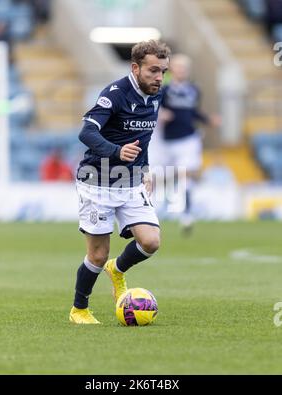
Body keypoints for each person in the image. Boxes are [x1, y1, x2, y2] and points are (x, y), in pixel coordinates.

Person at [69, 40, 171, 324]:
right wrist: (116, 151)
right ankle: (79, 310)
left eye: (163, 71)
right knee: (98, 255)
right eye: (153, 71)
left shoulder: (155, 94)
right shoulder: (114, 94)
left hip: (131, 184)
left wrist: (145, 169)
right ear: (135, 68)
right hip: (97, 182)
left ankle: (118, 269)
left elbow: (145, 138)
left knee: (151, 242)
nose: (159, 78)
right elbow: (86, 133)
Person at [158, 54, 220, 233]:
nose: (181, 70)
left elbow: (193, 112)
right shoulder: (164, 89)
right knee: (161, 177)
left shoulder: (194, 89)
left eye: (184, 67)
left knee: (186, 176)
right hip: (167, 140)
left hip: (188, 138)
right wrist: (161, 114)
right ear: (172, 69)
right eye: (178, 67)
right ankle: (162, 208)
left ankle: (186, 214)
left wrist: (208, 120)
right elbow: (153, 109)